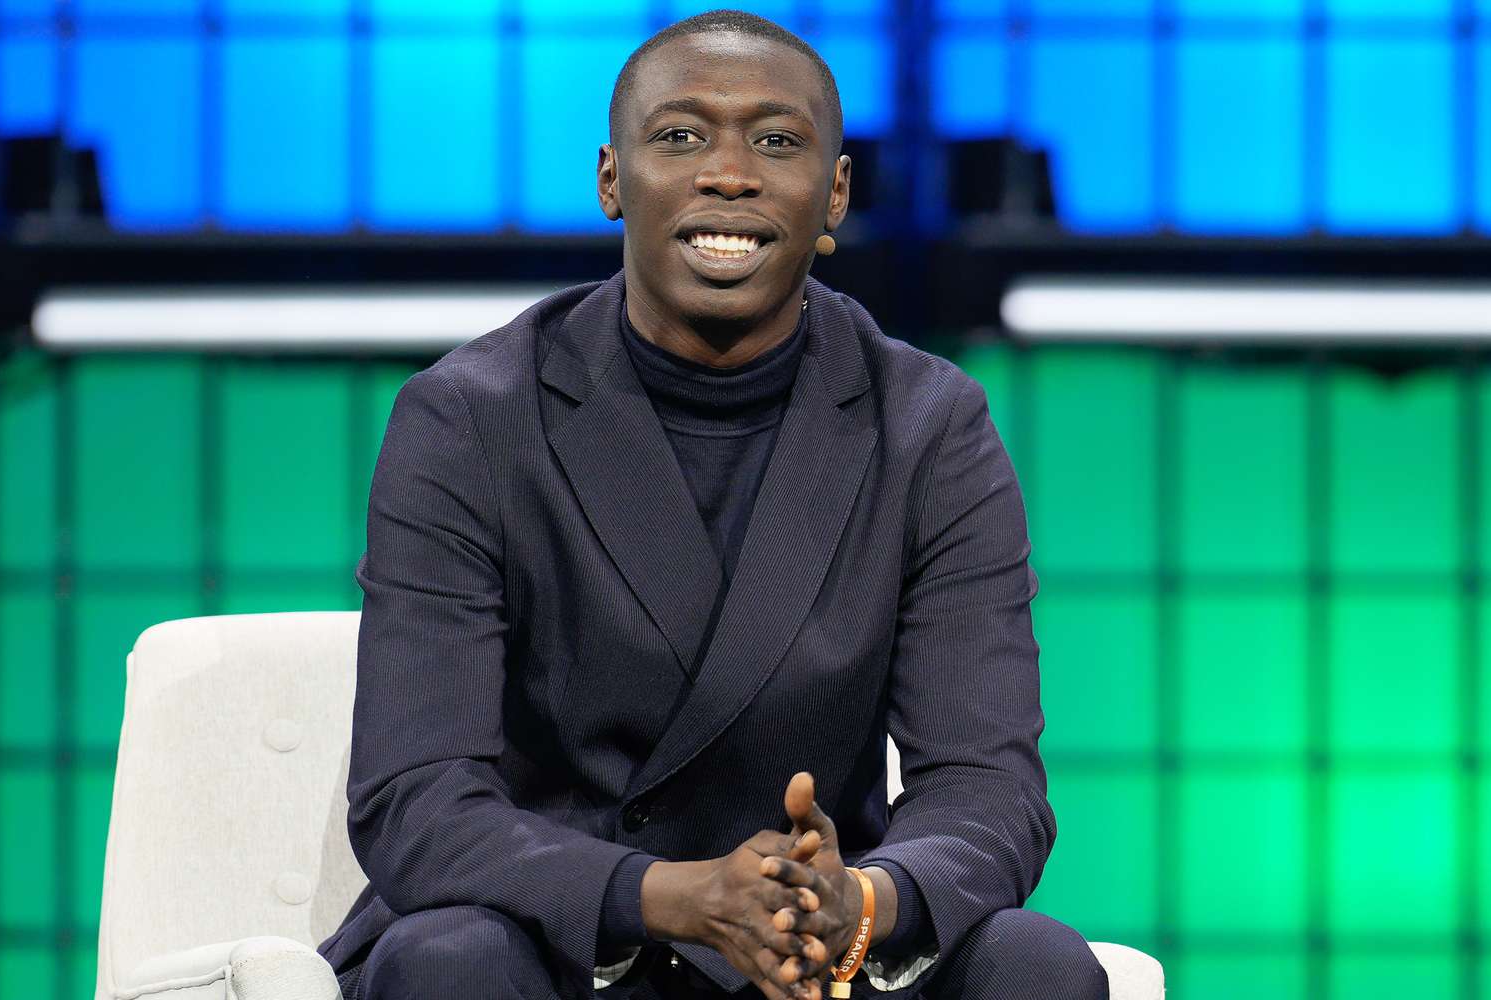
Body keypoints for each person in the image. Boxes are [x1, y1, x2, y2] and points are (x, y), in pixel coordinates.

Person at [316, 9, 1109, 1000]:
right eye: (682, 135)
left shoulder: (928, 428)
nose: (729, 174)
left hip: (813, 950)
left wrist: (863, 900)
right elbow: (416, 799)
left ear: (835, 193)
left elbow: (988, 788)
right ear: (612, 180)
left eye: (775, 142)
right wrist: (670, 895)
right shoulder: (469, 419)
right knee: (447, 961)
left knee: (1037, 964)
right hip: (562, 943)